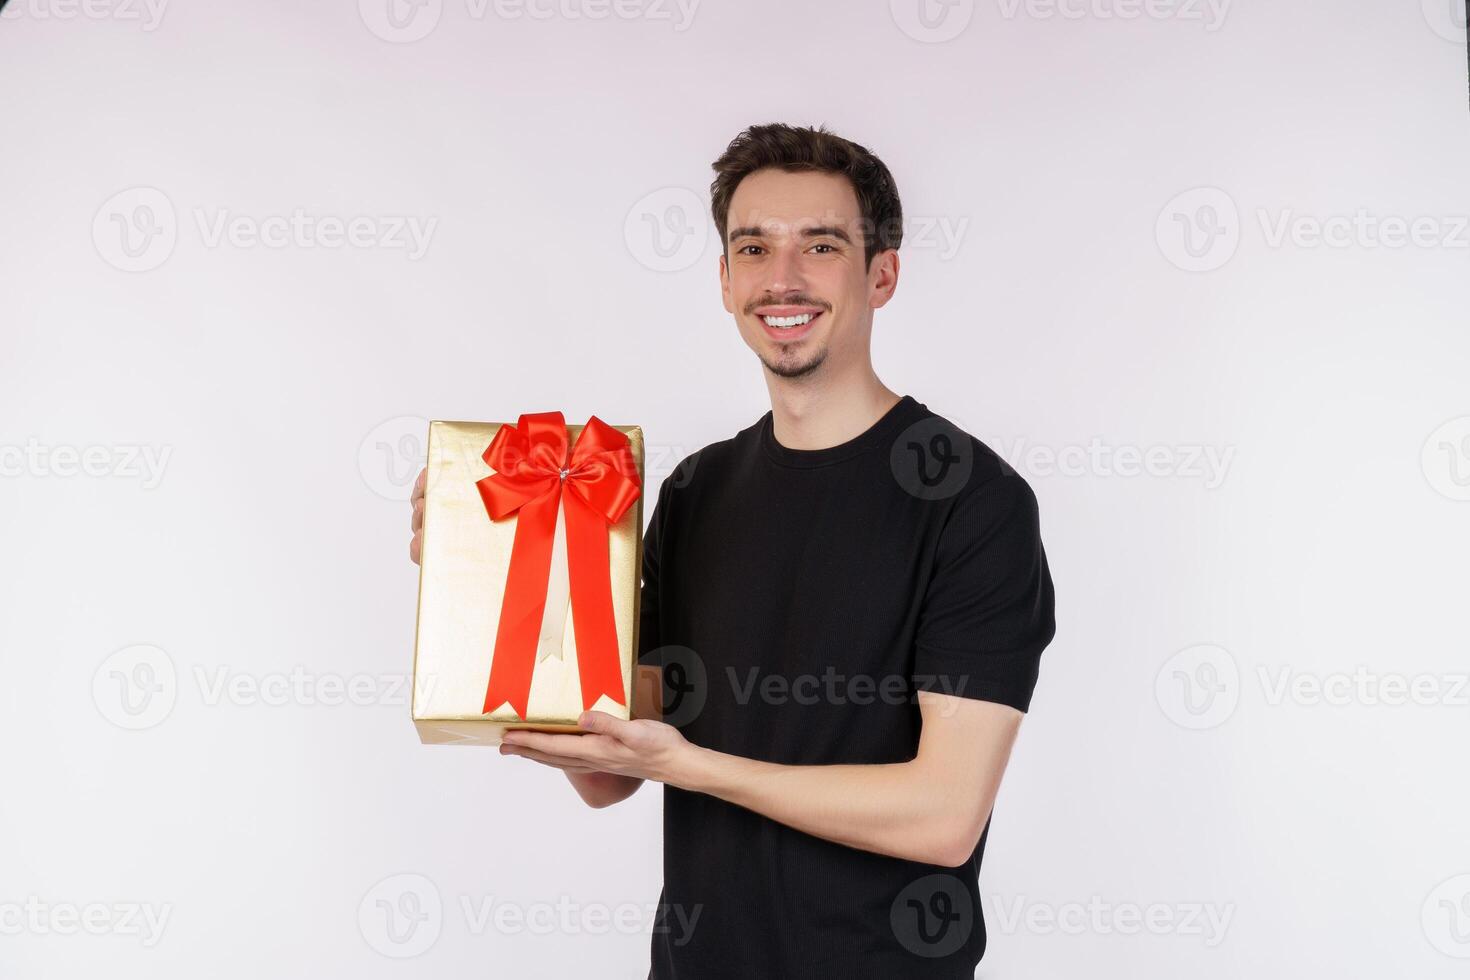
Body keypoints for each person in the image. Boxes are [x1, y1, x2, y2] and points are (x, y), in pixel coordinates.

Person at [409, 122, 1057, 978]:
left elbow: (942, 817)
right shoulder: (694, 492)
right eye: (753, 248)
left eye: (820, 245)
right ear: (723, 280)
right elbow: (613, 769)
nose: (781, 279)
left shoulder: (972, 500)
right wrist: (491, 578)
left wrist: (697, 767)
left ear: (883, 274)